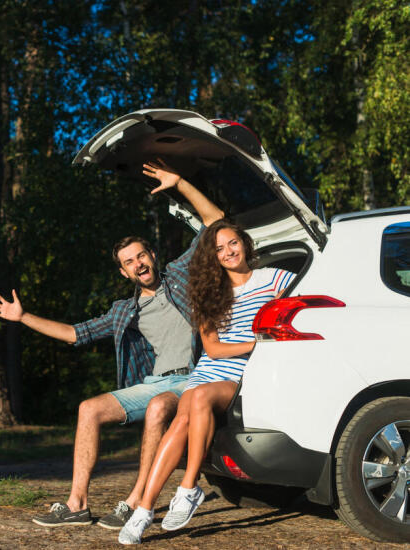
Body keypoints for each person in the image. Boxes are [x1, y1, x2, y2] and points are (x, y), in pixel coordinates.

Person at [0, 160, 224, 529]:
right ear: (123, 272)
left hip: (191, 380)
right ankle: (77, 504)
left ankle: (134, 502)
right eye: (129, 262)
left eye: (142, 256)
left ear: (153, 256)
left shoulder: (179, 274)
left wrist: (179, 182)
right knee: (88, 409)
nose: (139, 264)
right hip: (153, 382)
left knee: (161, 407)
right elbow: (73, 333)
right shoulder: (123, 311)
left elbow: (215, 223)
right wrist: (23, 318)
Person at [118, 218, 295, 545]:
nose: (228, 252)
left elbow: (307, 305)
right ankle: (144, 509)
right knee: (181, 418)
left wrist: (274, 340)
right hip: (208, 370)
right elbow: (212, 347)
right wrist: (256, 343)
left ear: (245, 242)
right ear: (212, 257)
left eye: (233, 243)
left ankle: (188, 489)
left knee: (196, 400)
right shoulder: (209, 293)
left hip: (243, 374)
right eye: (219, 248)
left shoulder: (274, 279)